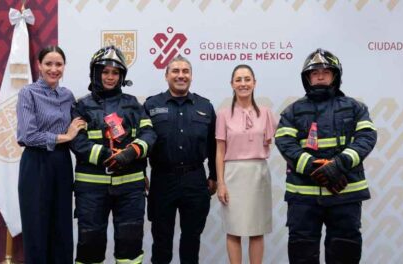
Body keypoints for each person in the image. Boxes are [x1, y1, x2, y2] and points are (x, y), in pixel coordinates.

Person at [275, 48, 377, 264]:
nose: (320, 76)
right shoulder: (292, 112)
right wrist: (313, 167)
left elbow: (366, 138)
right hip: (303, 197)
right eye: (314, 73)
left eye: (325, 72)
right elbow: (284, 142)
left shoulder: (356, 108)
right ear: (307, 78)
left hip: (345, 194)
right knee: (302, 253)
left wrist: (339, 164)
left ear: (335, 76)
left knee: (344, 251)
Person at [70, 45, 156, 264]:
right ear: (96, 73)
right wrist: (106, 155)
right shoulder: (81, 106)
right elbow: (77, 141)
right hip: (91, 189)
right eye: (105, 71)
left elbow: (149, 133)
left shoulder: (134, 105)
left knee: (130, 243)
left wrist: (131, 152)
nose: (110, 77)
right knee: (90, 243)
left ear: (122, 76)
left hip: (130, 188)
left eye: (115, 72)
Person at [143, 55, 217, 264]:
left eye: (185, 71)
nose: (180, 75)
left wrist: (214, 175)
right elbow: (141, 141)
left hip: (195, 179)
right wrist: (141, 174)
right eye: (175, 71)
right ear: (166, 76)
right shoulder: (151, 105)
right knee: (161, 242)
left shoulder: (205, 106)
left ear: (191, 76)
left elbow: (213, 145)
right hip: (162, 179)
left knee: (191, 242)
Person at [17, 45, 86, 263]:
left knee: (62, 225)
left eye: (58, 64)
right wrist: (64, 137)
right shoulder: (28, 93)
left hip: (62, 163)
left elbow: (79, 125)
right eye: (48, 63)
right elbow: (27, 135)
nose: (54, 69)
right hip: (35, 163)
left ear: (64, 67)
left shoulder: (68, 96)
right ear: (39, 65)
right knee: (36, 226)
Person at [216, 64, 276, 264]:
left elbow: (272, 141)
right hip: (233, 174)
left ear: (254, 83)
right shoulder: (223, 114)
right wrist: (221, 183)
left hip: (258, 174)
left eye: (247, 79)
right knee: (234, 230)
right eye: (239, 79)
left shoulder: (266, 112)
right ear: (232, 84)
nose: (243, 83)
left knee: (256, 230)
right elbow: (220, 151)